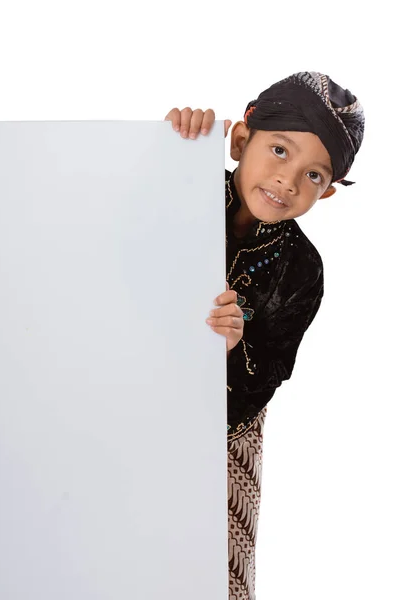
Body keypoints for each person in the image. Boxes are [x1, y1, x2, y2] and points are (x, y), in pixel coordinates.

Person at [165, 71, 365, 600]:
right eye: (279, 150)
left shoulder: (302, 269)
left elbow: (269, 376)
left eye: (314, 175)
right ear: (239, 140)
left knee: (203, 576)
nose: (288, 181)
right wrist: (165, 148)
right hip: (124, 401)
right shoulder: (175, 185)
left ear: (325, 194)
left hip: (225, 435)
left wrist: (234, 347)